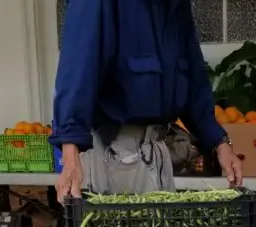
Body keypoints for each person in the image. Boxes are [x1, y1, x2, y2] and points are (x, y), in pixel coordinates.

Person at [50, 0, 244, 199]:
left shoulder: (176, 6)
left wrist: (220, 143)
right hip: (116, 154)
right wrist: (70, 154)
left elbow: (192, 78)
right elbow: (77, 69)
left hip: (158, 150)